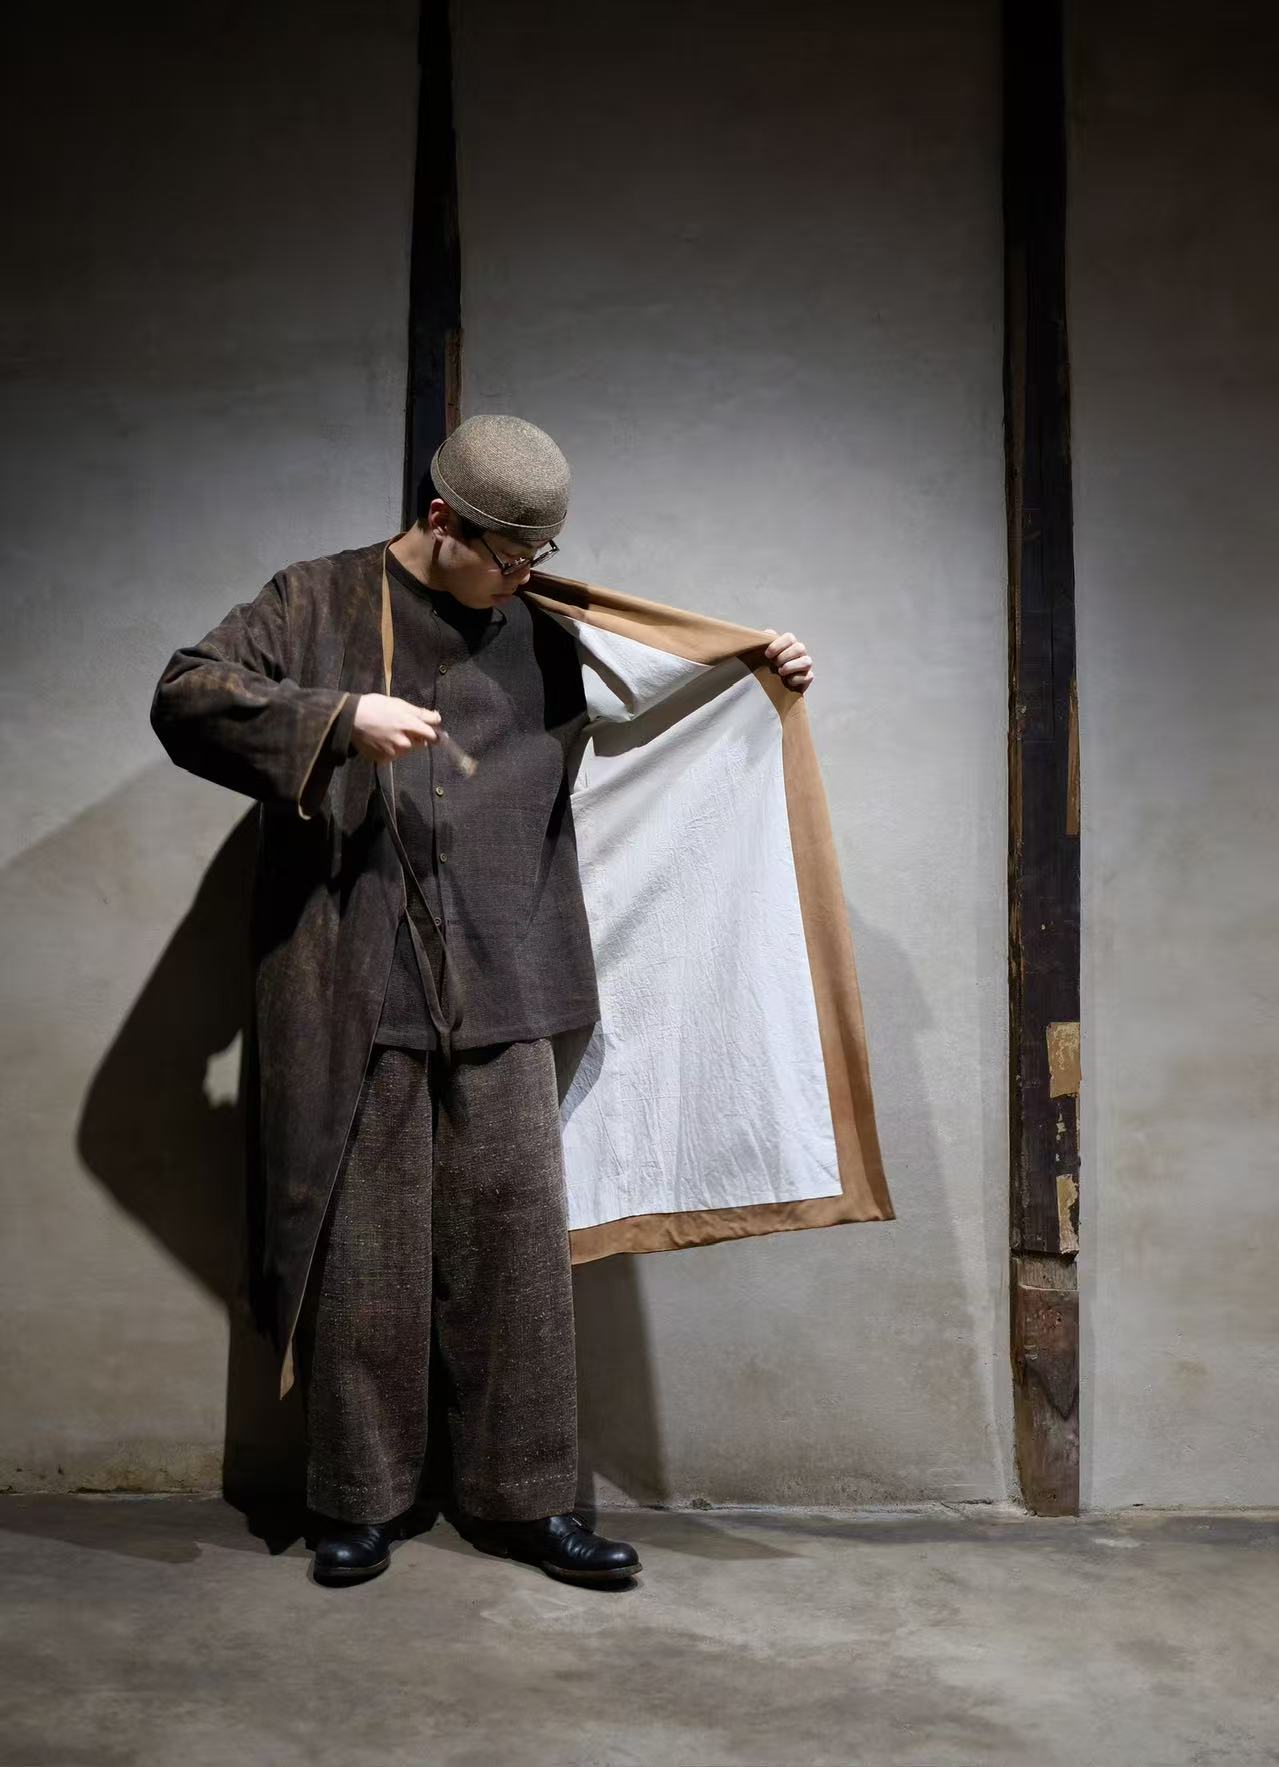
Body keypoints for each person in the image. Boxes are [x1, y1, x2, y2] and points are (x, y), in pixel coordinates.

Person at [150, 414, 814, 1588]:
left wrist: (758, 668)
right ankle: (360, 1499)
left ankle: (527, 1502)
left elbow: (655, 695)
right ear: (441, 521)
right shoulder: (314, 599)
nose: (524, 577)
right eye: (509, 555)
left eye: (538, 557)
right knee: (368, 1265)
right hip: (354, 984)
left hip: (506, 978)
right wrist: (336, 718)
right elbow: (186, 693)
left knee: (515, 1265)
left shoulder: (544, 624)